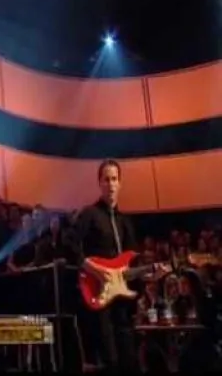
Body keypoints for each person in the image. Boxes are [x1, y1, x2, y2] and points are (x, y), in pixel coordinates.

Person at [73, 159, 165, 371]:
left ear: (120, 183)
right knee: (110, 359)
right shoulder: (89, 214)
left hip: (122, 300)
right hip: (100, 295)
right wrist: (92, 268)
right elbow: (69, 243)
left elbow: (131, 266)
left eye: (114, 179)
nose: (111, 184)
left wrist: (150, 275)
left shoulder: (126, 222)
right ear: (99, 183)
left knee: (128, 358)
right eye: (106, 179)